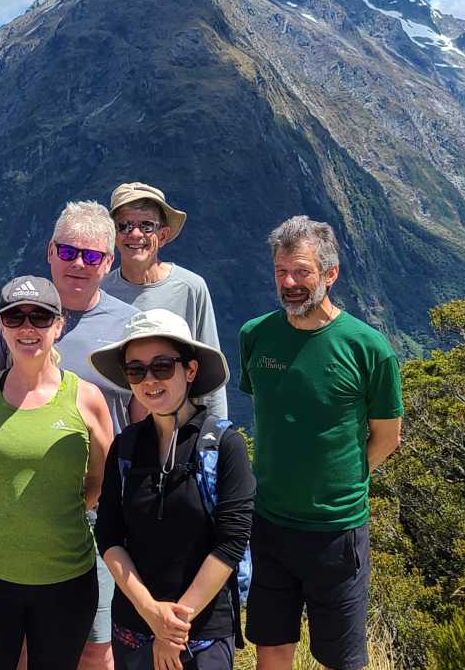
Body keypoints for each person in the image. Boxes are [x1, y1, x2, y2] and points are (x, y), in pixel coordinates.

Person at [0, 201, 137, 669]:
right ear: (50, 251)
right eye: (68, 251)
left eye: (91, 256)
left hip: (99, 511)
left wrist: (102, 501)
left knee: (97, 644)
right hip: (23, 510)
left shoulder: (127, 327)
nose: (78, 264)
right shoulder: (10, 318)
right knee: (23, 646)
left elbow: (140, 416)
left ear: (108, 262)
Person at [239, 217, 404, 670]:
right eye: (281, 272)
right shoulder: (256, 336)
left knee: (341, 658)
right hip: (270, 523)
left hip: (337, 531)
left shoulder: (368, 349)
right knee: (270, 647)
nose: (289, 283)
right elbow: (276, 416)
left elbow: (387, 438)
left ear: (330, 274)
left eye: (302, 272)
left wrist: (340, 480)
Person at [90, 311, 253, 670]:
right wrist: (151, 613)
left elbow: (232, 541)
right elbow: (109, 535)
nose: (149, 380)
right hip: (134, 627)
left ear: (190, 370)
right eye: (136, 370)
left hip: (203, 631)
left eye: (162, 366)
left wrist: (171, 630)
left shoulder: (224, 444)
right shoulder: (126, 447)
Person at [100, 183, 229, 421]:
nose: (135, 234)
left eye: (146, 226)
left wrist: (216, 435)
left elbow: (210, 366)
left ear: (163, 234)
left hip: (180, 434)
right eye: (125, 225)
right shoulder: (101, 291)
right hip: (118, 436)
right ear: (114, 235)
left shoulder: (191, 288)